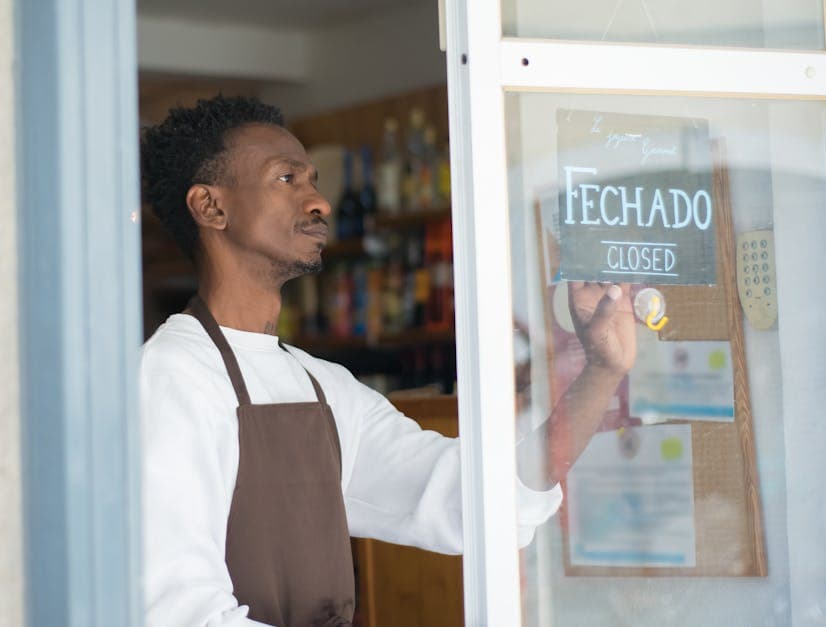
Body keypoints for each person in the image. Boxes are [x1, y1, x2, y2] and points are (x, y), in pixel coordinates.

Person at [138, 96, 636, 627]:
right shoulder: (171, 378)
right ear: (210, 207)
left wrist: (600, 370)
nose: (319, 203)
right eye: (286, 179)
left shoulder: (323, 386)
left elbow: (477, 504)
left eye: (312, 180)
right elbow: (177, 610)